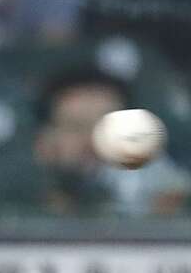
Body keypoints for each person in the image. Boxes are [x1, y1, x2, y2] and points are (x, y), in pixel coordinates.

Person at [34, 68, 190, 216]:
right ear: (44, 142)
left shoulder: (163, 190)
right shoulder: (18, 203)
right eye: (77, 127)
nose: (94, 140)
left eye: (110, 128)